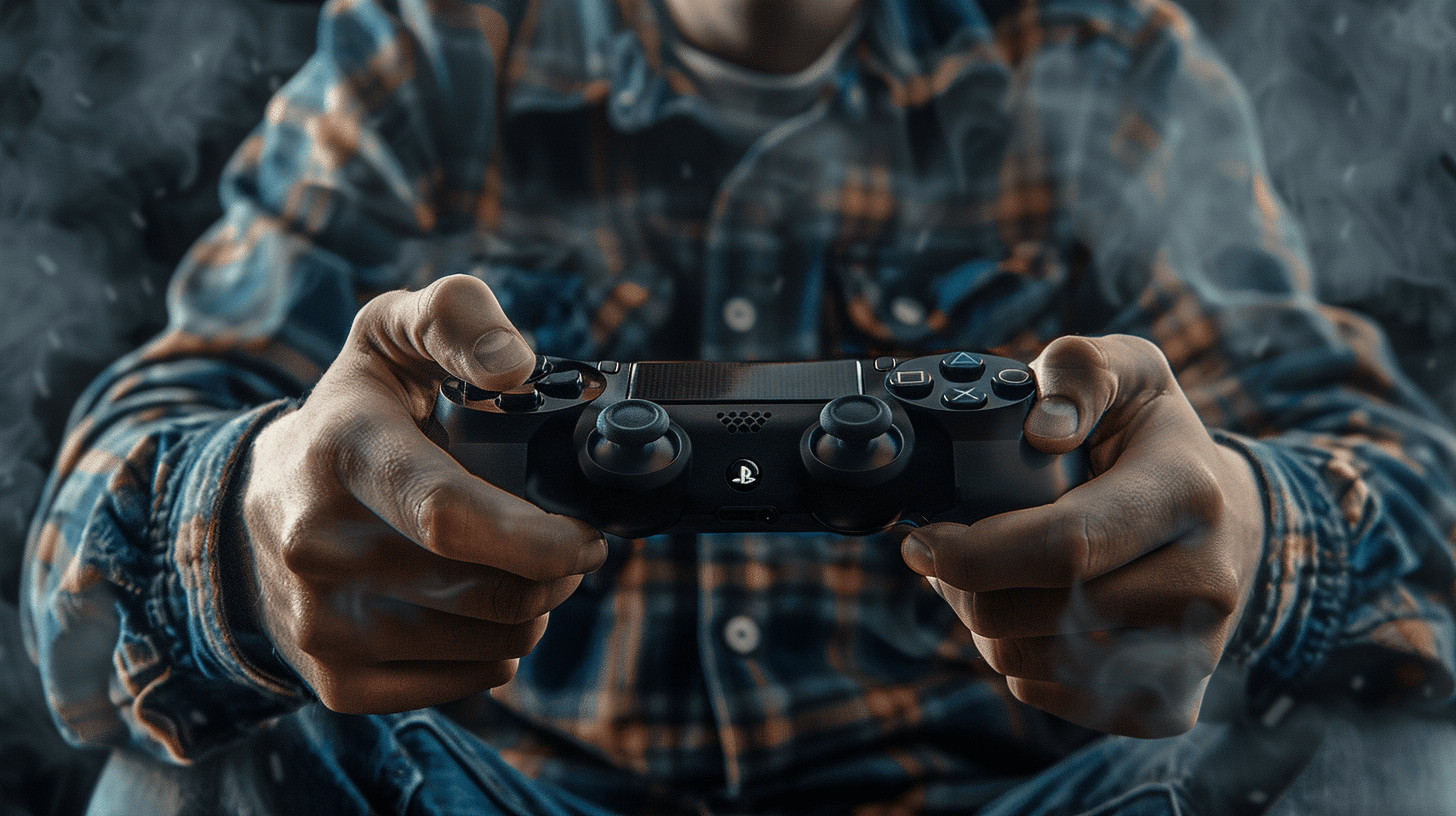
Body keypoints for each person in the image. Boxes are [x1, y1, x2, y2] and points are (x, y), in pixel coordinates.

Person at [23, 0, 1456, 812]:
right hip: (491, 794)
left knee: (1387, 733)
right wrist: (257, 536)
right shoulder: (429, 53)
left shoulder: (1109, 67)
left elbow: (1413, 500)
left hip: (1009, 801)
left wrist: (1255, 538)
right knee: (187, 747)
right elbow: (86, 605)